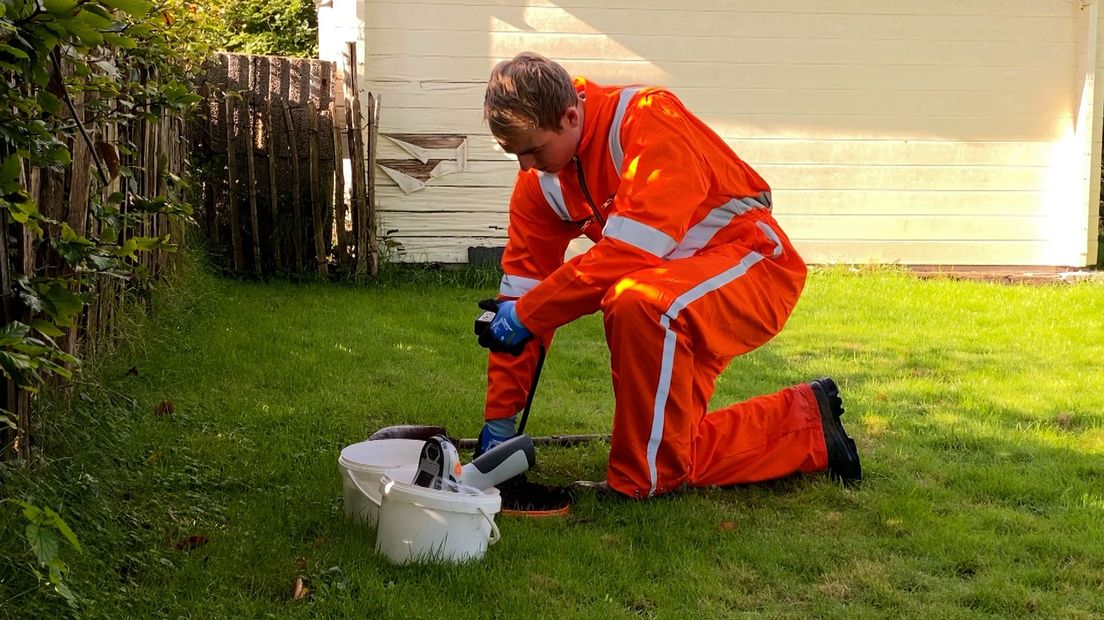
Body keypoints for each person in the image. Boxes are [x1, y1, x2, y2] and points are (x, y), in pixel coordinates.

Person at [474, 51, 861, 499]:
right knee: (674, 449)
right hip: (680, 290)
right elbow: (519, 300)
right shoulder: (538, 187)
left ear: (570, 114)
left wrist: (528, 315)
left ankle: (638, 486)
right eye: (514, 154)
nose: (525, 166)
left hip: (756, 266)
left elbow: (628, 254)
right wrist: (499, 424)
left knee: (635, 299)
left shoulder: (648, 119)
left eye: (533, 150)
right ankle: (810, 425)